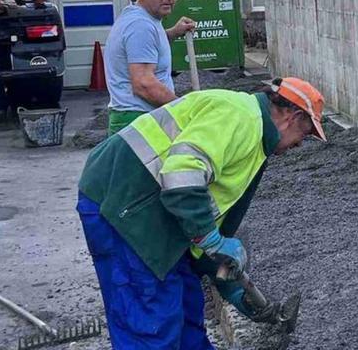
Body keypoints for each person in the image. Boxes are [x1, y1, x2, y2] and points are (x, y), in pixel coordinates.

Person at [76, 77, 327, 349]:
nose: (300, 145)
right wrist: (211, 241)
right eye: (306, 133)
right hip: (123, 205)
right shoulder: (240, 117)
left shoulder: (257, 141)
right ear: (293, 116)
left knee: (187, 306)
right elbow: (182, 175)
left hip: (153, 209)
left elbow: (209, 212)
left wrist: (226, 280)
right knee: (150, 319)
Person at [104, 0, 196, 135]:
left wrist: (173, 33)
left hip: (137, 119)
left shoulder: (140, 18)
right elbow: (143, 84)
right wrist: (185, 109)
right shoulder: (141, 26)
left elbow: (147, 47)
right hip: (139, 122)